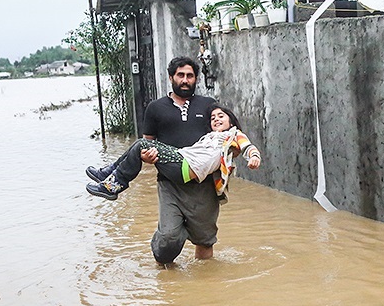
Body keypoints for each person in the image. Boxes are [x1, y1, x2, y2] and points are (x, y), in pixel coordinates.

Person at [88, 56, 224, 264]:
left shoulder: (208, 106)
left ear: (196, 79)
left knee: (205, 243)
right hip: (170, 183)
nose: (185, 80)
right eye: (180, 75)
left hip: (203, 185)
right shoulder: (155, 108)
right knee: (168, 240)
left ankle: (204, 286)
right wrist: (147, 158)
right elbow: (146, 144)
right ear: (171, 77)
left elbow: (224, 132)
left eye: (190, 76)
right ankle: (165, 267)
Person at [85, 104, 261, 199]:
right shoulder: (210, 137)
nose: (216, 119)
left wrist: (253, 157)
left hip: (185, 165)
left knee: (141, 144)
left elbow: (247, 146)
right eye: (213, 118)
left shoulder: (233, 135)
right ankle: (108, 174)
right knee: (141, 144)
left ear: (231, 122)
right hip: (182, 163)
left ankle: (112, 184)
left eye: (221, 116)